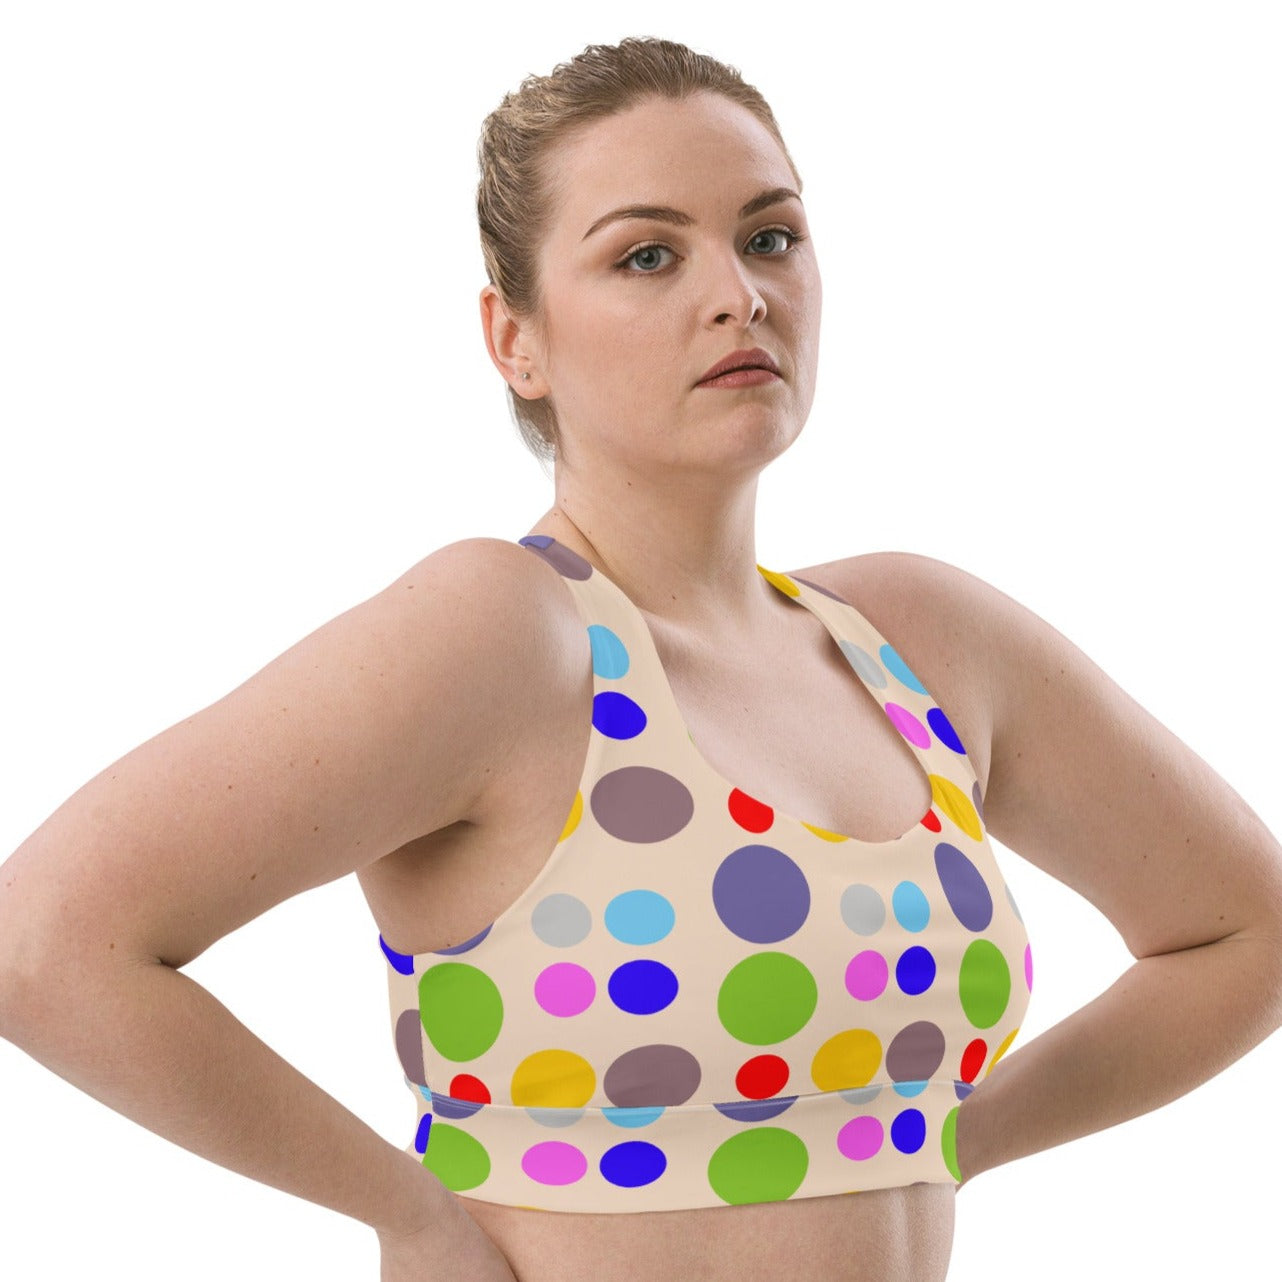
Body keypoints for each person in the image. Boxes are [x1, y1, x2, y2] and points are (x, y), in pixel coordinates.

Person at [2, 34, 1281, 1282]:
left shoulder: (919, 642)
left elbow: (1246, 931)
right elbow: (44, 941)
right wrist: (409, 1215)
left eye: (769, 237)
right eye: (647, 255)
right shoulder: (506, 635)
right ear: (515, 339)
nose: (738, 293)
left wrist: (954, 1139)